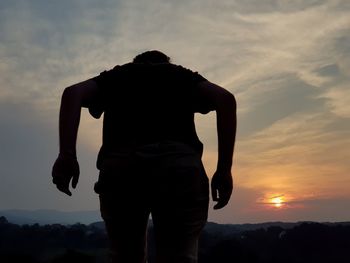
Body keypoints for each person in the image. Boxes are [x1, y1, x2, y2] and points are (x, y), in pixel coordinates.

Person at [52, 50, 237, 263]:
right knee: (180, 257)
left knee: (125, 256)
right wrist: (223, 169)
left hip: (123, 167)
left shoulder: (118, 76)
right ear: (166, 63)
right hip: (178, 167)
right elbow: (225, 99)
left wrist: (67, 155)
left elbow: (72, 93)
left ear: (136, 63)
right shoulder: (181, 76)